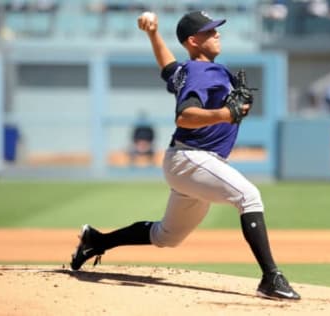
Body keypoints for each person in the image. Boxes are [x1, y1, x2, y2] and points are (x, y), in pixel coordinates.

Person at [70, 10, 301, 301]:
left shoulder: (189, 71)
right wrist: (224, 114)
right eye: (209, 30)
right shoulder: (202, 72)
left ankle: (96, 241)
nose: (217, 33)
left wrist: (153, 34)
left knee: (168, 236)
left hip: (188, 161)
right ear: (193, 40)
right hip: (193, 157)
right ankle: (271, 277)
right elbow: (185, 116)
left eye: (216, 28)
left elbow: (168, 67)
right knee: (249, 196)